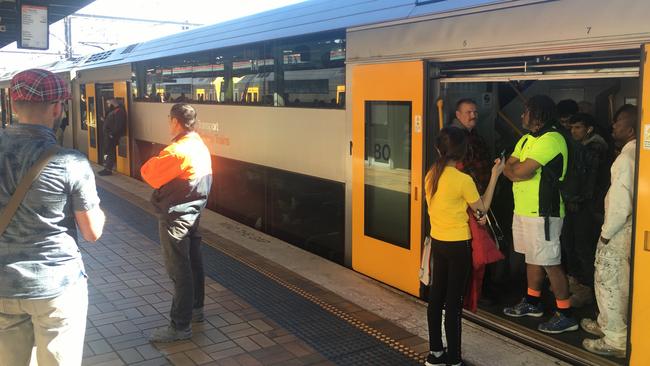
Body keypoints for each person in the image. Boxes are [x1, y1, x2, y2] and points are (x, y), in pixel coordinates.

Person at [0, 68, 105, 365]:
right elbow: (92, 232)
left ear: (13, 104)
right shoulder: (70, 162)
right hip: (55, 286)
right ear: (58, 107)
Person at [424, 127, 504, 366]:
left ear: (439, 149)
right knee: (453, 303)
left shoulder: (431, 174)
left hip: (438, 242)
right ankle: (455, 359)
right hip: (458, 246)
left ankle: (435, 353)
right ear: (463, 152)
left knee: (436, 298)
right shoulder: (462, 180)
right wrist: (495, 175)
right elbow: (482, 209)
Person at [502, 95, 578, 334]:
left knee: (550, 262)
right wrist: (513, 169)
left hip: (544, 212)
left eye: (526, 111)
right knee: (532, 258)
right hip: (524, 210)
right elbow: (509, 168)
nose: (522, 116)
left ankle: (565, 314)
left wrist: (514, 169)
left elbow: (519, 171)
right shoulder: (526, 139)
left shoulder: (552, 139)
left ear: (538, 114)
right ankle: (532, 303)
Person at [140, 103, 213, 342]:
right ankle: (196, 310)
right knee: (194, 263)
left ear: (174, 121)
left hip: (176, 217)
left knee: (178, 270)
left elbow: (148, 174)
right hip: (193, 213)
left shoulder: (177, 151)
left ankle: (179, 327)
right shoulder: (200, 145)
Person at [580, 105, 637, 358]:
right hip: (627, 229)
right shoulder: (636, 154)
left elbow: (620, 204)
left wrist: (605, 234)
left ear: (631, 129)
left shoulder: (626, 159)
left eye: (618, 122)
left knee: (609, 281)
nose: (613, 125)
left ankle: (615, 339)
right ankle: (607, 324)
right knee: (618, 282)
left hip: (618, 230)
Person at [562, 113, 611, 307]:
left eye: (578, 128)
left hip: (586, 206)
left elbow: (589, 182)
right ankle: (578, 286)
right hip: (577, 204)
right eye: (572, 128)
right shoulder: (582, 147)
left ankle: (587, 290)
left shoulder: (594, 149)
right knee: (571, 244)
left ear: (589, 129)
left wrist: (577, 199)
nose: (573, 131)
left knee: (583, 246)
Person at [98, 99, 127, 176]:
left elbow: (118, 125)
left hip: (112, 136)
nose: (107, 105)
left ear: (113, 102)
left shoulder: (119, 111)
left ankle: (108, 169)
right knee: (108, 151)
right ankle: (107, 167)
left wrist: (112, 134)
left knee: (111, 152)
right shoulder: (114, 111)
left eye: (108, 103)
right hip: (109, 135)